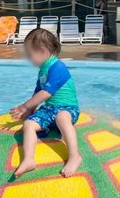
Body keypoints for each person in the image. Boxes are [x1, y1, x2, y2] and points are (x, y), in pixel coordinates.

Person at [10, 29, 81, 178]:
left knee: (62, 118)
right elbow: (38, 91)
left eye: (30, 55)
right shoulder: (43, 69)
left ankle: (74, 156)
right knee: (29, 124)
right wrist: (30, 110)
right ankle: (29, 159)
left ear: (42, 51)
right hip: (49, 109)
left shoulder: (58, 67)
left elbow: (46, 93)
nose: (29, 59)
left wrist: (25, 106)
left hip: (67, 108)